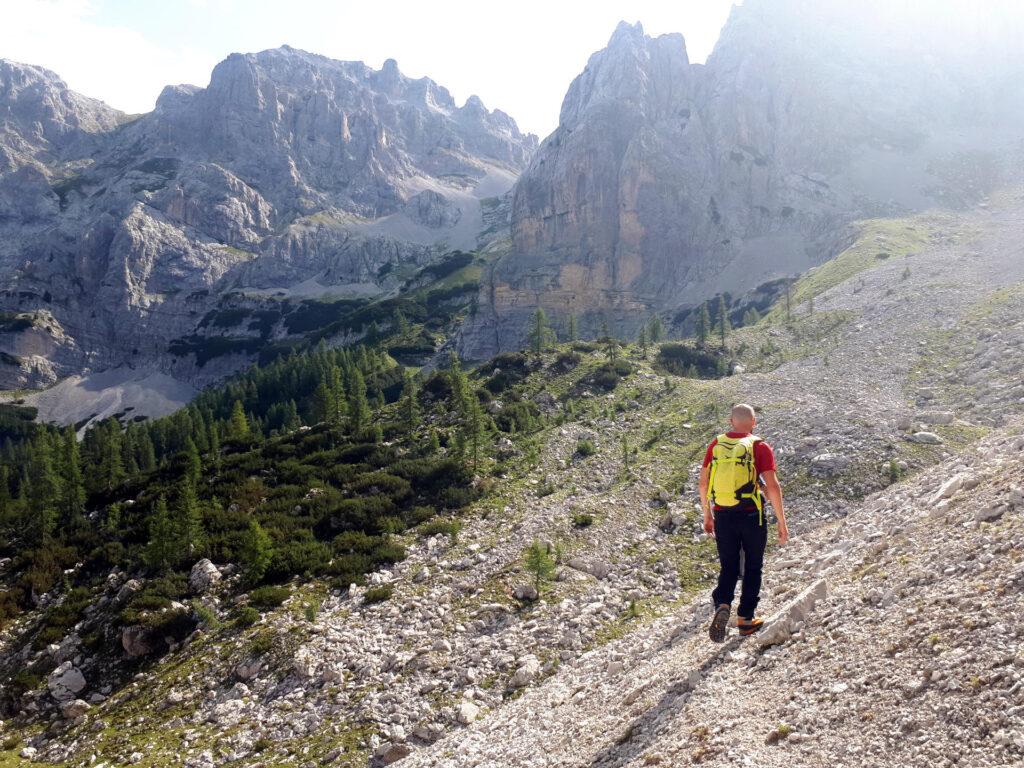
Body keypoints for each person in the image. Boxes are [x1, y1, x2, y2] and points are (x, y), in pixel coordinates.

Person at [699, 403, 788, 642]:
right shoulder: (759, 446)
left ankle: (722, 602)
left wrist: (707, 515)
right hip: (751, 515)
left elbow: (703, 483)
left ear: (731, 422)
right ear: (754, 422)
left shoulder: (716, 445)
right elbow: (772, 486)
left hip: (723, 514)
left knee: (728, 566)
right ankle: (746, 619)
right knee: (752, 566)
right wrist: (781, 521)